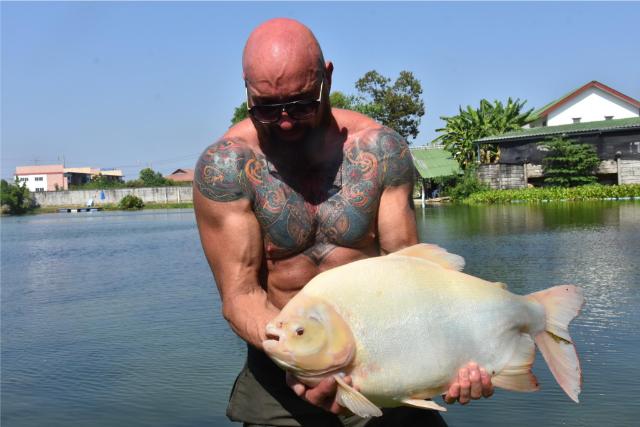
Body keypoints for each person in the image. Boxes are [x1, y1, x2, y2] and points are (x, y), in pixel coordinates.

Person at [193, 18, 493, 427]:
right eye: (266, 107)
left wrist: (456, 356)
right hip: (283, 384)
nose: (285, 120)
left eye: (301, 103)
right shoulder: (227, 166)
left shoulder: (381, 150)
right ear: (246, 90)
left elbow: (411, 273)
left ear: (327, 78)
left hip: (383, 368)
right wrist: (304, 360)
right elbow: (240, 295)